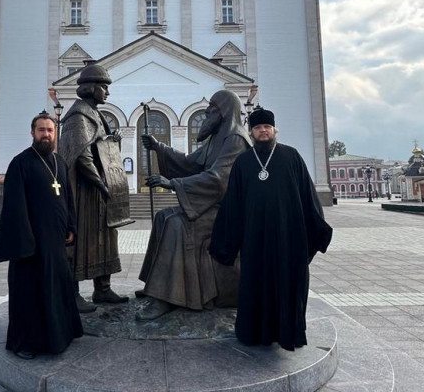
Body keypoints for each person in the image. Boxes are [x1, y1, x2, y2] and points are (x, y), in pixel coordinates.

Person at [209, 107, 333, 351]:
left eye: (266, 127)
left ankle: (288, 333)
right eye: (257, 128)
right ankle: (253, 333)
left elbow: (308, 196)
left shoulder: (291, 156)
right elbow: (233, 203)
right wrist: (225, 242)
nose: (262, 131)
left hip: (290, 237)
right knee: (255, 283)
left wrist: (316, 230)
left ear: (275, 129)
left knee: (288, 284)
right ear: (251, 132)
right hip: (254, 238)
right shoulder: (243, 162)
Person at [136, 90, 251, 321]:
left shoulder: (236, 139)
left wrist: (172, 183)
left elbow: (218, 179)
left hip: (227, 213)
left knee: (177, 224)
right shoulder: (217, 138)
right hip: (211, 206)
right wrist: (160, 148)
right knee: (162, 217)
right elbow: (190, 163)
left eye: (212, 106)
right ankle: (156, 286)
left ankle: (165, 298)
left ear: (224, 111)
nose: (207, 110)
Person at [0, 113, 82, 359]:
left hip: (56, 242)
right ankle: (26, 343)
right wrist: (25, 241)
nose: (46, 134)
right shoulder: (20, 163)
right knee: (30, 293)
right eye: (41, 130)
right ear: (32, 133)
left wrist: (71, 226)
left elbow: (67, 198)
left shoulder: (59, 163)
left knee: (56, 289)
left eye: (50, 130)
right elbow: (14, 207)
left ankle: (60, 336)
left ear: (55, 133)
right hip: (30, 245)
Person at [58, 64, 133, 313]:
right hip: (84, 193)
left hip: (99, 192)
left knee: (106, 237)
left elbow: (99, 148)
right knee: (82, 240)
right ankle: (73, 292)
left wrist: (113, 143)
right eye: (104, 87)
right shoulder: (78, 115)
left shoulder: (96, 114)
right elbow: (82, 156)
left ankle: (102, 289)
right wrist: (101, 183)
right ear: (90, 88)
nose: (107, 93)